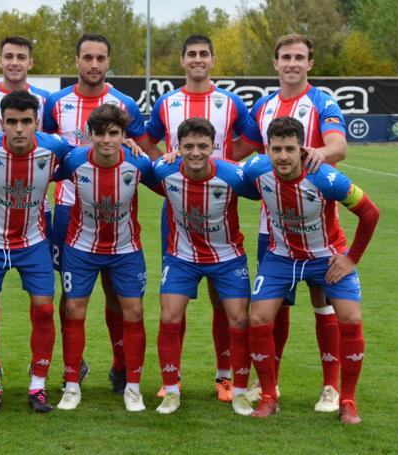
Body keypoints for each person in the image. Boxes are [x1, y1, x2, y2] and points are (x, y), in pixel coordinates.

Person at [146, 34, 261, 401]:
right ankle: (171, 380)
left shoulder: (230, 103)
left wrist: (227, 164)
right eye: (191, 54)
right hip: (178, 209)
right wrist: (167, 158)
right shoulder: (166, 102)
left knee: (222, 300)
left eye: (203, 54)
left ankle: (224, 377)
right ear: (182, 60)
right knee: (172, 301)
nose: (197, 59)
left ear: (213, 60)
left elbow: (250, 140)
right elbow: (149, 141)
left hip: (220, 205)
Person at [243, 116, 379, 424]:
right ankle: (268, 396)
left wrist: (351, 259)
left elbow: (370, 213)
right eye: (276, 149)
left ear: (302, 148)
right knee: (258, 318)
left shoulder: (327, 178)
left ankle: (347, 400)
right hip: (281, 258)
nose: (283, 157)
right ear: (267, 149)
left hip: (326, 259)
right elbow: (219, 174)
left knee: (351, 317)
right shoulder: (255, 171)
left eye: (290, 149)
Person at [240, 34, 349, 412]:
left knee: (324, 304)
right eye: (285, 57)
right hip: (272, 226)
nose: (292, 63)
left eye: (299, 57)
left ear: (309, 64)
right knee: (275, 307)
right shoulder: (264, 106)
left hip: (318, 223)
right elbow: (244, 152)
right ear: (275, 63)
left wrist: (319, 151)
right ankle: (271, 383)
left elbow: (339, 145)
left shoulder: (322, 101)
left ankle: (330, 388)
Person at [43, 33, 157, 394]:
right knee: (70, 294)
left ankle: (121, 365)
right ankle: (72, 365)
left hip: (116, 212)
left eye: (101, 58)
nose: (94, 64)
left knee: (115, 292)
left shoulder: (124, 104)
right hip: (68, 209)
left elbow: (144, 150)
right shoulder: (55, 103)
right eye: (87, 57)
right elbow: (45, 150)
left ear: (109, 63)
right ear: (76, 61)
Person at [0, 91, 69, 413]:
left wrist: (132, 149)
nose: (20, 129)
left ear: (37, 123)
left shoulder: (54, 148)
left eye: (26, 122)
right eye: (12, 122)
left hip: (33, 241)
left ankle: (38, 384)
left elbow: (88, 156)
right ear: (1, 124)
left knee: (43, 310)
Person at [152, 118, 256, 415]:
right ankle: (170, 391)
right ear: (177, 147)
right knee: (170, 317)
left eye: (202, 146)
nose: (195, 152)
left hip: (227, 258)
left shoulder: (234, 175)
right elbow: (134, 169)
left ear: (214, 147)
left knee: (238, 319)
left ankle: (236, 389)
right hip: (182, 258)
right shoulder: (163, 169)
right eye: (188, 146)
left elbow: (267, 188)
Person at [55, 104, 154, 412]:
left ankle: (133, 387)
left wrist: (174, 156)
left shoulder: (139, 163)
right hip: (81, 248)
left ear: (124, 136)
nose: (107, 140)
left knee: (134, 312)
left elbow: (172, 177)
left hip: (125, 250)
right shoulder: (73, 160)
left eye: (114, 133)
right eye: (100, 134)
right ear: (90, 136)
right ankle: (71, 385)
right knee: (73, 309)